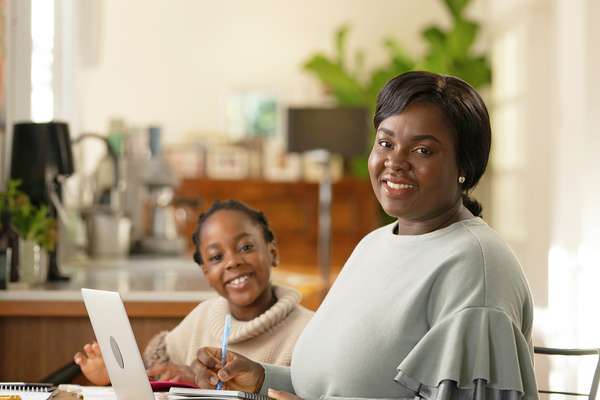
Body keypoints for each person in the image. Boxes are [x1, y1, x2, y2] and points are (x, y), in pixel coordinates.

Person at [190, 71, 539, 400]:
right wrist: (261, 377)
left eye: (423, 150)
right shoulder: (375, 243)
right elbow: (335, 382)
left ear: (465, 165)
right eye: (386, 143)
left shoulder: (475, 269)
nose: (395, 162)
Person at [74, 199, 313, 385]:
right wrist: (112, 376)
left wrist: (199, 384)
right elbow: (154, 372)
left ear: (273, 252)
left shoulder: (308, 331)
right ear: (206, 273)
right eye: (216, 257)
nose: (232, 262)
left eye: (246, 247)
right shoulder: (204, 315)